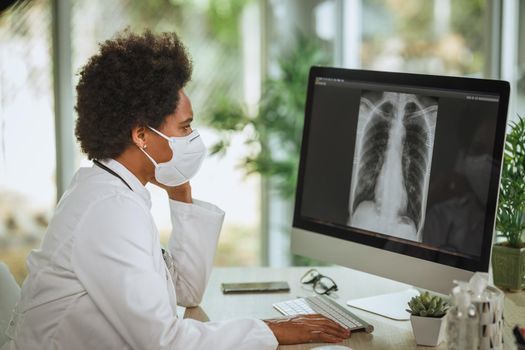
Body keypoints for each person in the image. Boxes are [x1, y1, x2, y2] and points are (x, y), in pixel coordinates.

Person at [4, 30, 350, 349]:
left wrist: (180, 194)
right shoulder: (110, 211)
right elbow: (163, 341)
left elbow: (186, 292)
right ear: (141, 135)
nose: (193, 138)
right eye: (185, 128)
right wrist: (271, 330)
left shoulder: (112, 188)